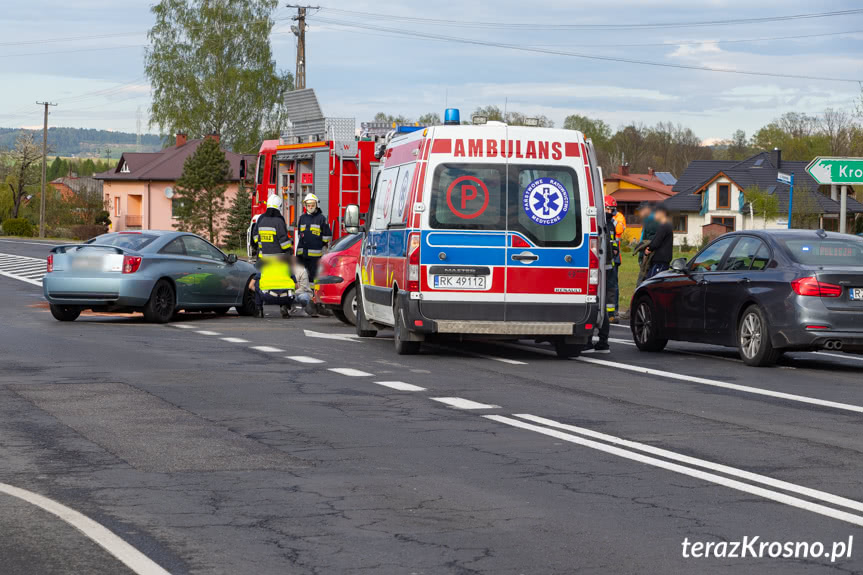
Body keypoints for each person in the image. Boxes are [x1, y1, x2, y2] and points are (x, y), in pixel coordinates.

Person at [584, 198, 622, 354]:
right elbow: (613, 249)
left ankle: (587, 340)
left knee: (594, 302)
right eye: (609, 209)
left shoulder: (599, 224)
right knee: (603, 305)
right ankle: (603, 341)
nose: (610, 211)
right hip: (608, 267)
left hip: (600, 268)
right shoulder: (610, 224)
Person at [252, 193, 293, 317]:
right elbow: (284, 242)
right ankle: (284, 306)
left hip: (264, 258)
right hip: (279, 259)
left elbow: (255, 238)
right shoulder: (279, 221)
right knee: (284, 282)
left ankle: (259, 308)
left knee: (260, 281)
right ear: (279, 207)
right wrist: (289, 250)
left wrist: (262, 247)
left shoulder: (261, 219)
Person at [296, 193, 332, 282]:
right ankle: (304, 293)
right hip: (302, 255)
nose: (310, 207)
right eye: (308, 205)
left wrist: (320, 244)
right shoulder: (302, 218)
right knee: (302, 277)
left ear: (316, 205)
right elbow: (300, 235)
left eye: (312, 205)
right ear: (305, 205)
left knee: (314, 277)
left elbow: (327, 236)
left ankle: (313, 293)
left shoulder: (321, 218)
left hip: (315, 257)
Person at [605, 195, 625, 323]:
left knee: (612, 286)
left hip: (613, 258)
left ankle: (612, 312)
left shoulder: (617, 218)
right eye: (609, 209)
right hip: (604, 258)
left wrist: (613, 220)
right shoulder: (601, 220)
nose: (611, 211)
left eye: (613, 209)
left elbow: (619, 230)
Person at [646, 205, 674, 278]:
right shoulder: (666, 225)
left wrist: (648, 249)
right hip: (663, 260)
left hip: (660, 260)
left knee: (652, 282)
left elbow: (656, 242)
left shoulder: (664, 226)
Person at [635, 202, 657, 285]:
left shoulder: (652, 221)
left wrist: (646, 251)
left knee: (643, 279)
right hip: (644, 253)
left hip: (647, 254)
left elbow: (651, 238)